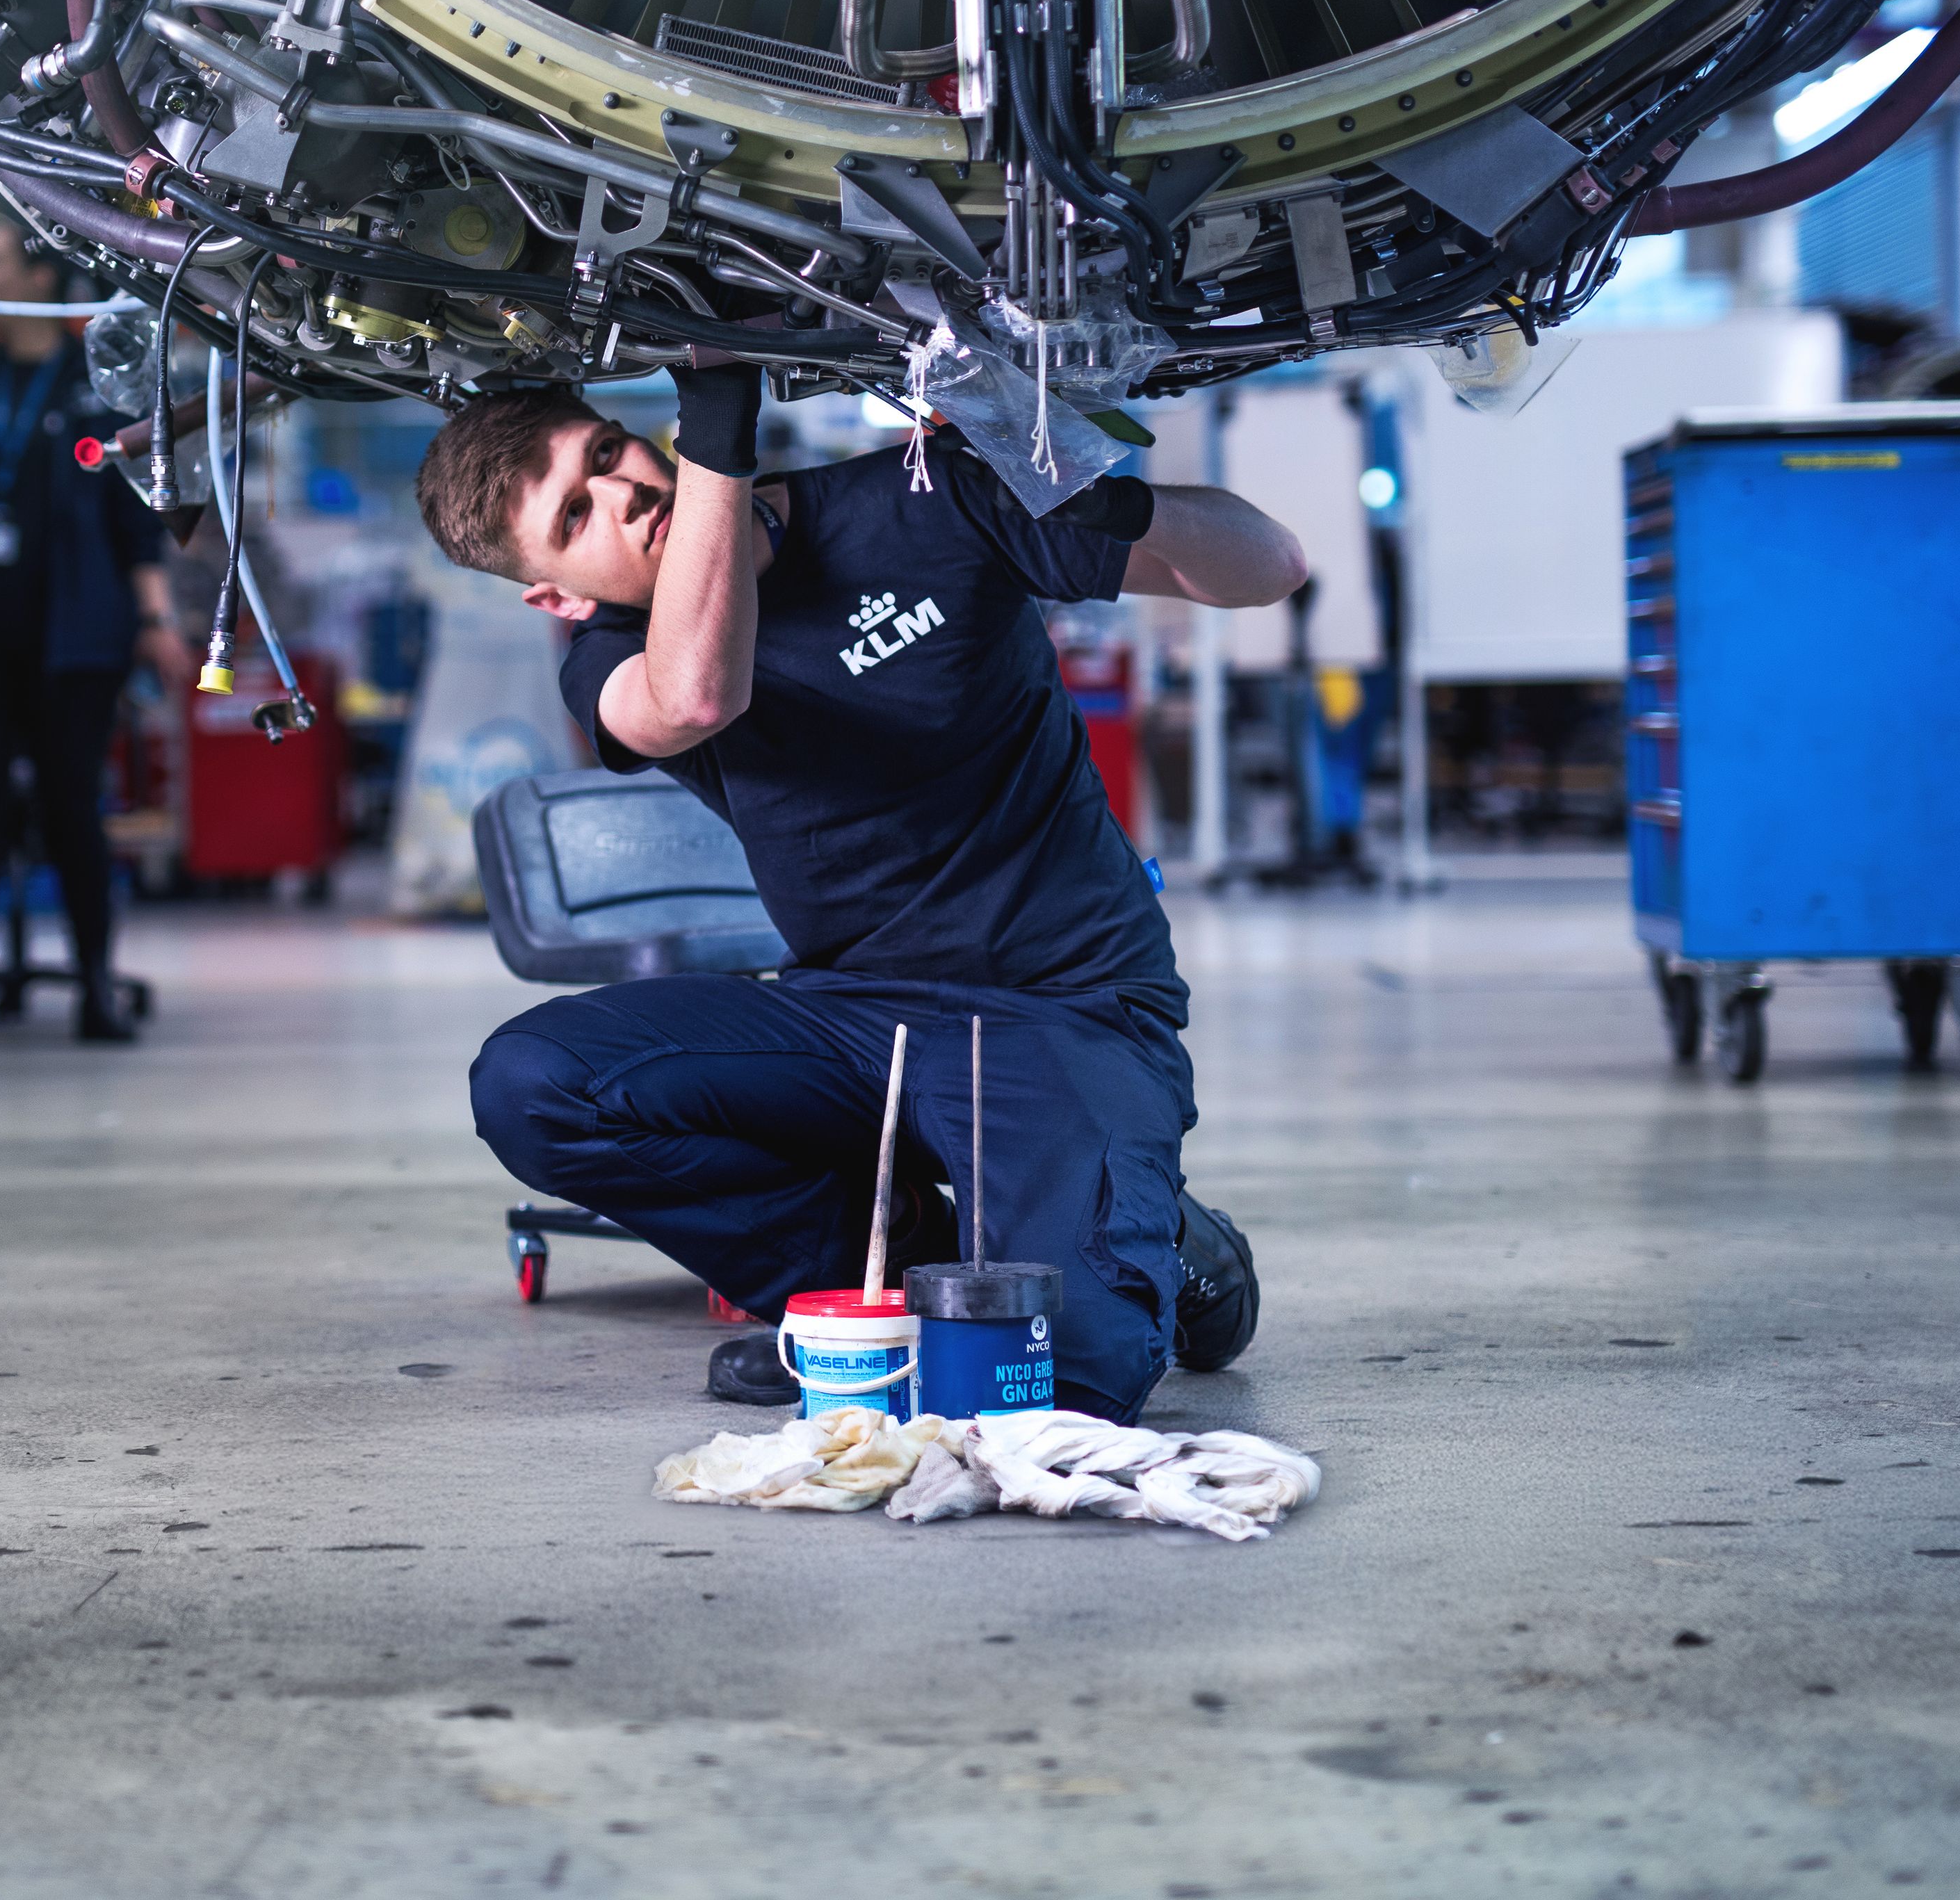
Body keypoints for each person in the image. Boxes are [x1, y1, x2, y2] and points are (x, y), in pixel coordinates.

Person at [419, 367, 1308, 1419]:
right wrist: (719, 414)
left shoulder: (921, 499)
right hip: (854, 1023)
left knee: (1054, 1385)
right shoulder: (617, 658)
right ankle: (890, 1287)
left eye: (608, 453)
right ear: (555, 596)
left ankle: (1163, 1249)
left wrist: (1116, 504)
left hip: (1064, 1011)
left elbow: (1273, 568)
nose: (624, 494)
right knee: (533, 1081)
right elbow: (698, 692)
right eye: (576, 514)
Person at [0, 224, 193, 1044]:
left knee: (72, 811)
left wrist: (152, 619)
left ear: (38, 281)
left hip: (76, 643)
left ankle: (96, 987)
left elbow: (134, 525)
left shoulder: (96, 393)